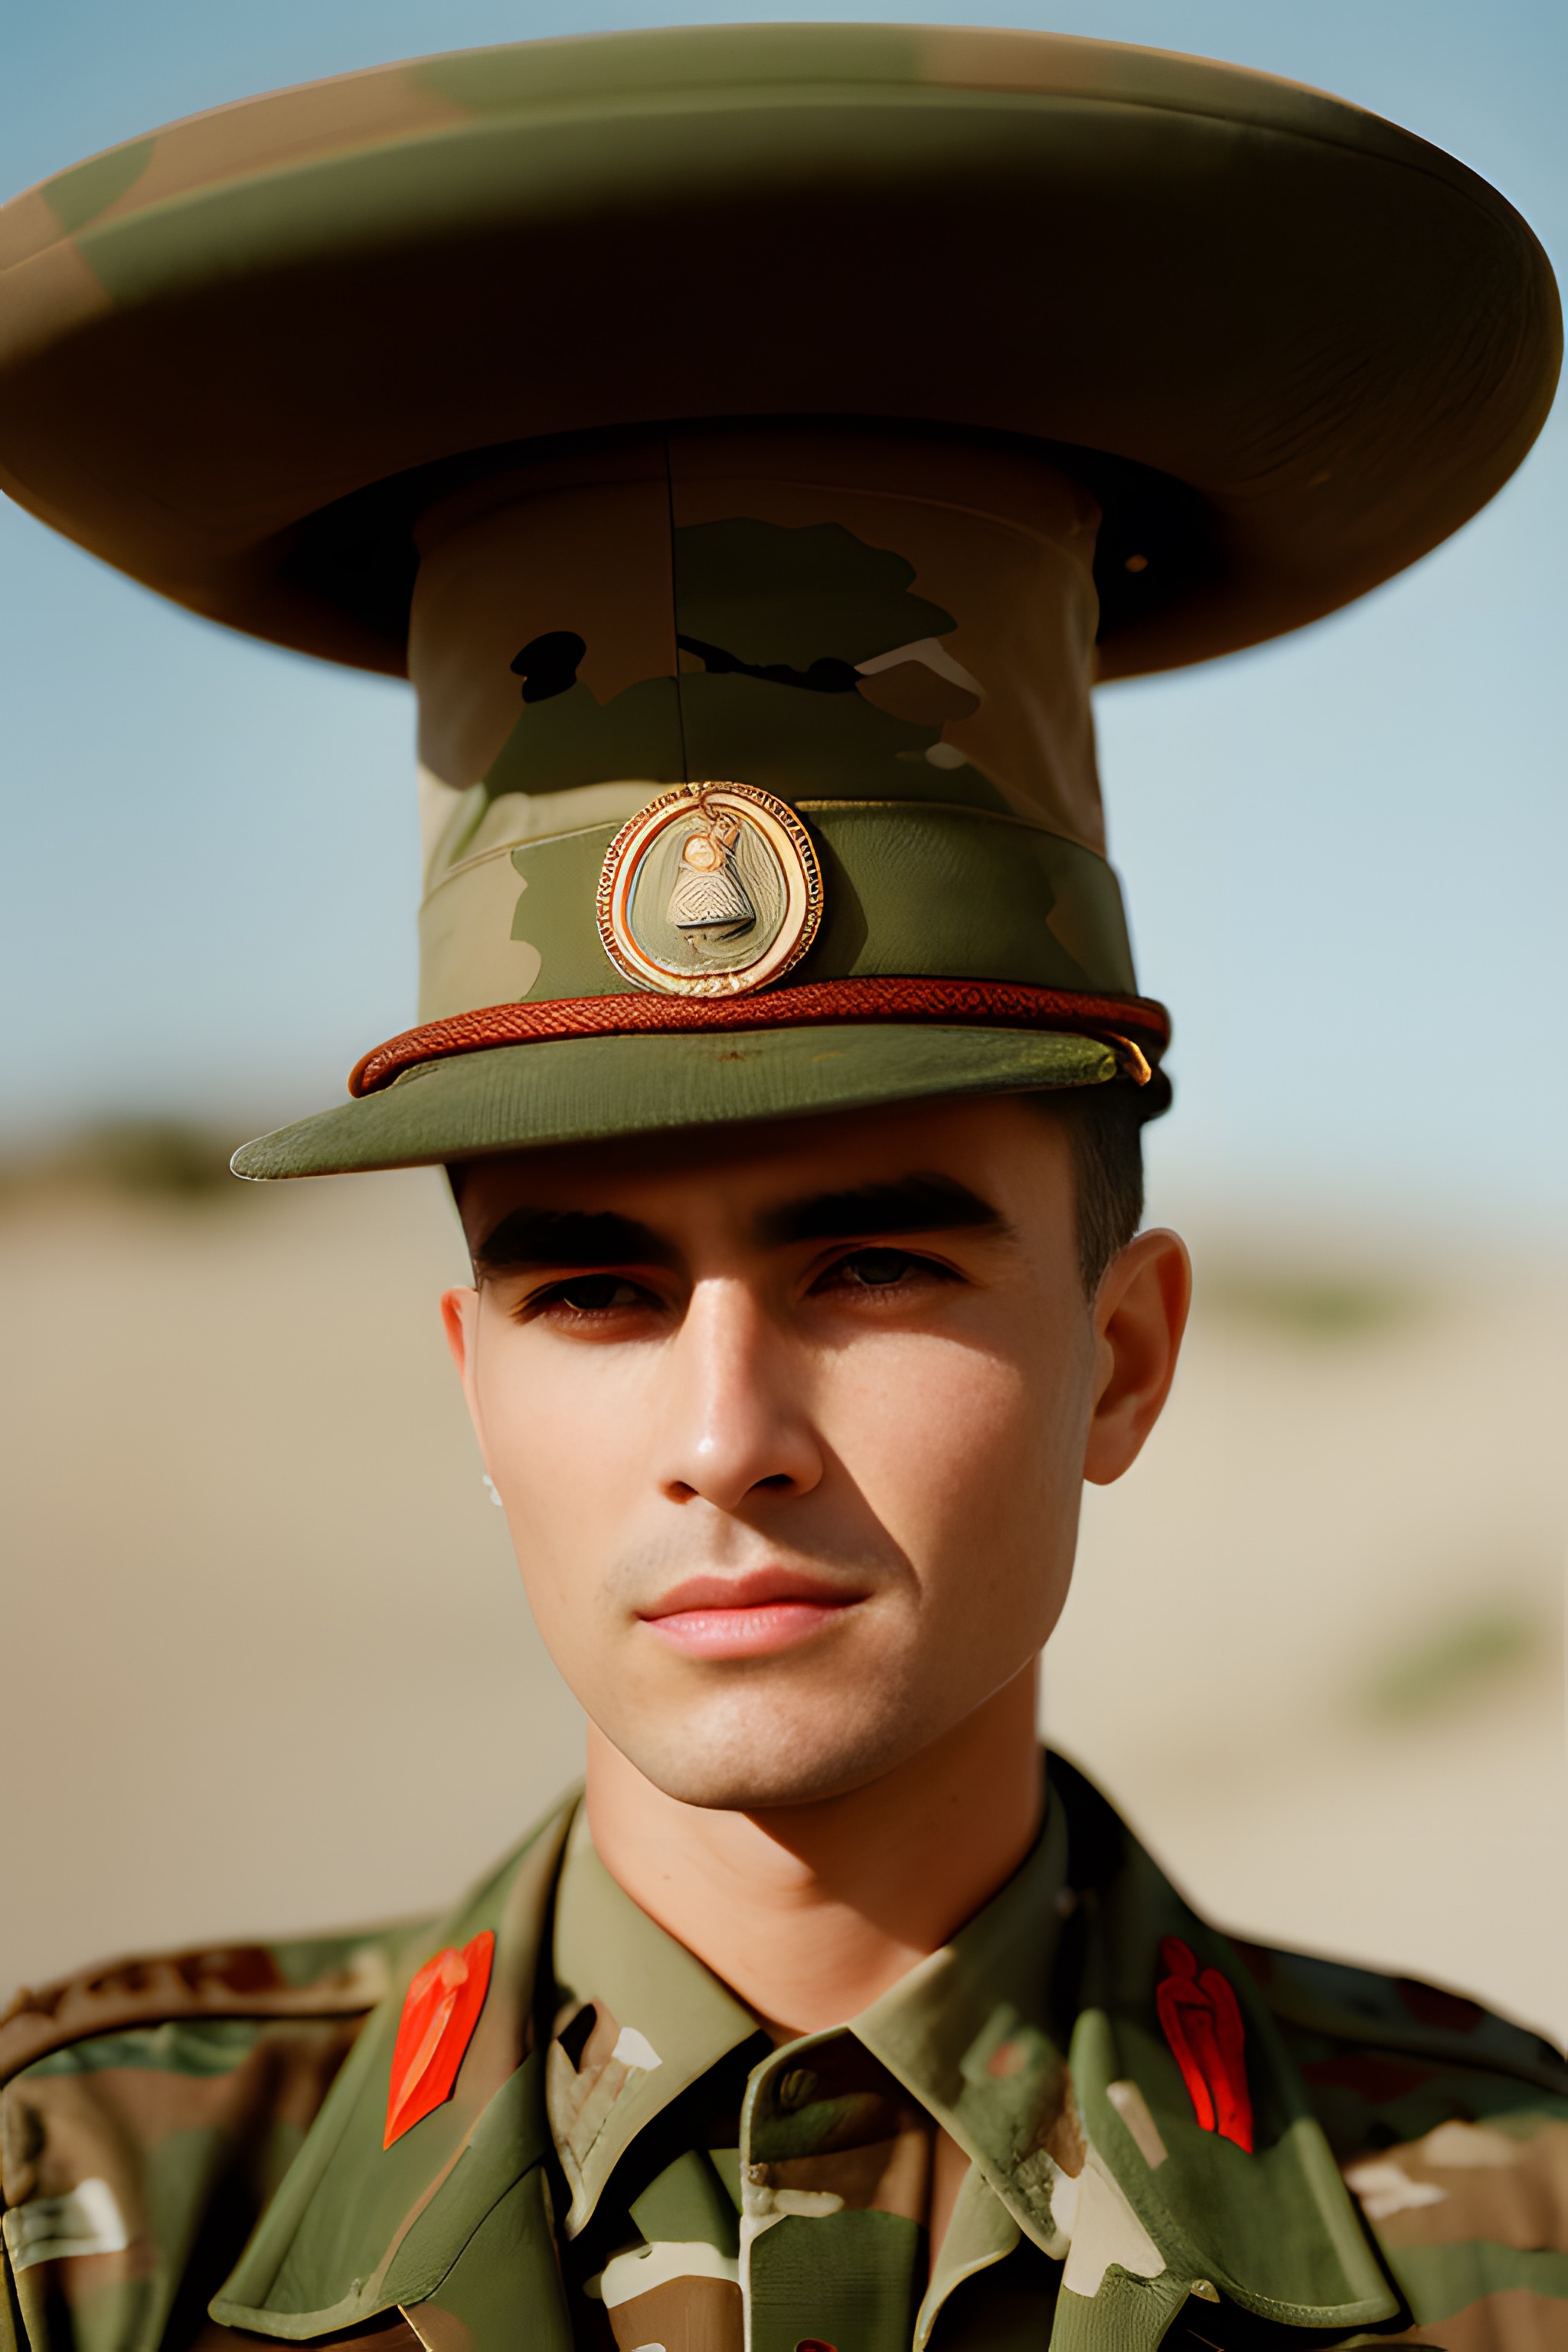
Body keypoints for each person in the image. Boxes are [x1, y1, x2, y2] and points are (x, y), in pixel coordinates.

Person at [0, 27, 1563, 2352]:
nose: (727, 1431)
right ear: (471, 1379)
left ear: (1120, 1353)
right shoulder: (82, 2223)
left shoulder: (1499, 2245)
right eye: (595, 1293)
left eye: (869, 1258)